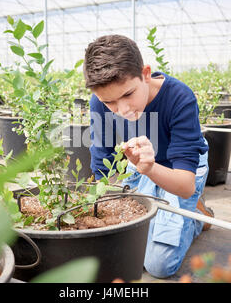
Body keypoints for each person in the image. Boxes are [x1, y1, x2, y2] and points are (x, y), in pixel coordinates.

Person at [83, 34, 214, 279]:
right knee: (124, 249)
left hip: (178, 169)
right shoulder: (99, 102)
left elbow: (184, 185)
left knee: (158, 264)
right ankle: (161, 201)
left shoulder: (180, 98)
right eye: (109, 102)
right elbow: (101, 161)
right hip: (139, 165)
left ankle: (198, 216)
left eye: (128, 94)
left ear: (145, 74)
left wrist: (151, 169)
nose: (122, 110)